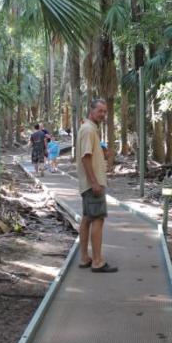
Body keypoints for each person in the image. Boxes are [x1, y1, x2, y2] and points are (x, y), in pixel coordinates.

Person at [77, 99, 118, 273]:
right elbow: (85, 157)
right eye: (100, 111)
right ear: (91, 110)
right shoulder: (88, 130)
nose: (103, 114)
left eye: (105, 111)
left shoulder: (90, 128)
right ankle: (97, 261)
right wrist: (94, 182)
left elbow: (91, 154)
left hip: (89, 183)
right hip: (93, 184)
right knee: (98, 219)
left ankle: (84, 258)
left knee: (87, 218)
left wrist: (102, 153)